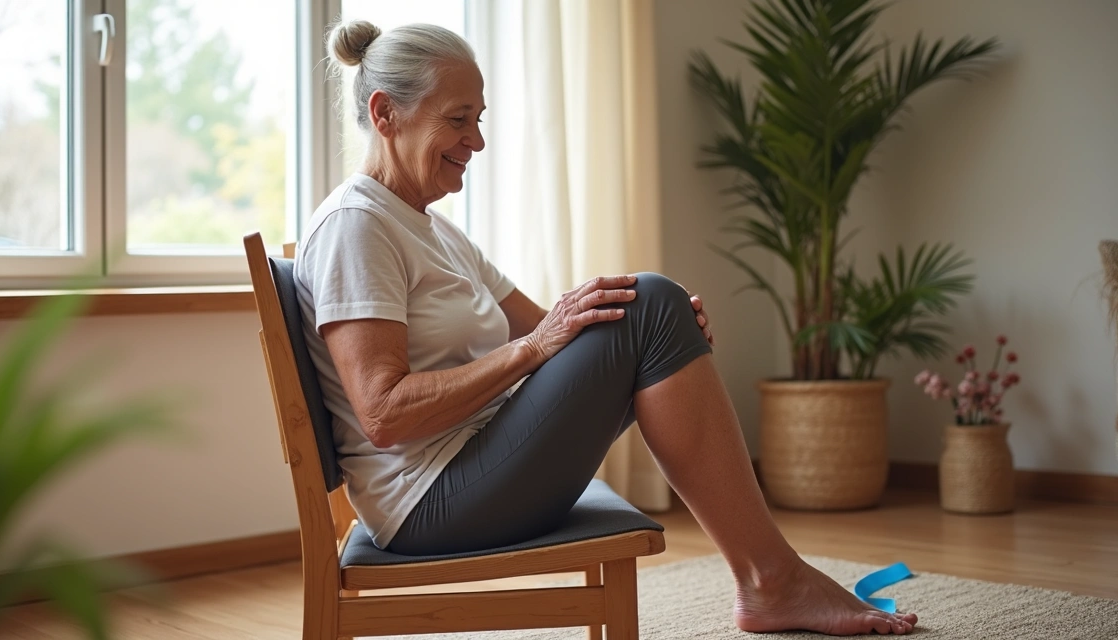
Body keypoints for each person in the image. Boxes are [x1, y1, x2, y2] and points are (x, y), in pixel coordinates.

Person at [293, 19, 918, 636]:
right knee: (649, 305)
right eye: (458, 119)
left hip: (477, 466)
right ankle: (774, 581)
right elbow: (384, 412)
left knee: (652, 308)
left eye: (478, 119)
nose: (476, 141)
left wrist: (664, 335)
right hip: (430, 502)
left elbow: (563, 336)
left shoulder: (431, 229)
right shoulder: (358, 226)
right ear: (385, 113)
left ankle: (771, 580)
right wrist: (569, 340)